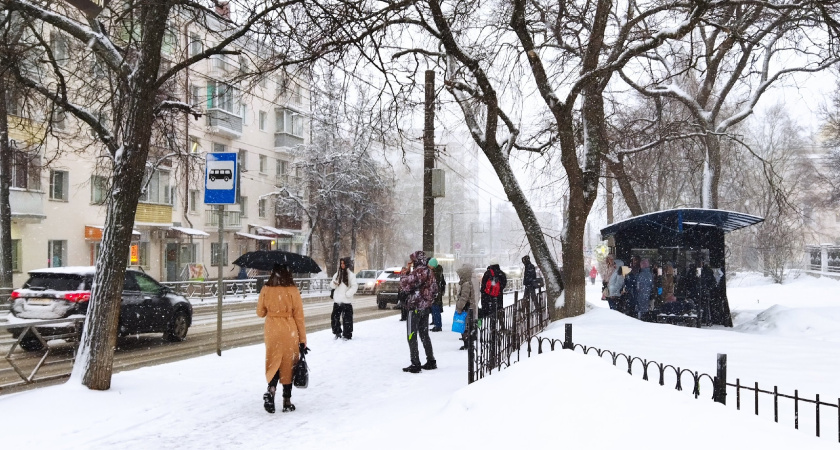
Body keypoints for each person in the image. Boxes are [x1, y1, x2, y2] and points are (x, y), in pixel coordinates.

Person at [256, 264, 307, 414]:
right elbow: (299, 316)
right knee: (288, 364)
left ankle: (271, 390)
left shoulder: (266, 289)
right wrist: (302, 339)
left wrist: (271, 308)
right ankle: (287, 401)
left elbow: (260, 312)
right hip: (288, 330)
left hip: (272, 330)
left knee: (273, 362)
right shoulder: (292, 290)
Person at [399, 250, 438, 373]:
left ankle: (415, 363)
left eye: (412, 259)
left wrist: (404, 273)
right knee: (424, 334)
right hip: (425, 308)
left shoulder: (419, 271)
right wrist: (427, 301)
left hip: (415, 307)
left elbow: (405, 285)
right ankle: (431, 360)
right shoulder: (430, 272)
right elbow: (435, 290)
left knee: (411, 335)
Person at [330, 257, 358, 340]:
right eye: (341, 263)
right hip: (337, 300)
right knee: (335, 318)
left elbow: (354, 286)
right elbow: (331, 285)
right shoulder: (337, 274)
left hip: (346, 301)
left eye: (344, 263)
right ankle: (337, 332)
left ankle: (347, 335)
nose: (342, 265)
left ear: (347, 264)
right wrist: (334, 283)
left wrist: (347, 294)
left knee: (347, 319)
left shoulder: (351, 275)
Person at [455, 264, 476, 350]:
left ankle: (467, 344)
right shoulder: (467, 282)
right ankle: (467, 343)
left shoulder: (466, 284)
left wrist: (459, 307)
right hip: (468, 307)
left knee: (465, 327)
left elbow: (464, 297)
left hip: (466, 308)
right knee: (466, 326)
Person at [428, 258, 445, 332]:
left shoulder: (435, 273)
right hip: (436, 294)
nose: (428, 266)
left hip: (435, 294)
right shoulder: (438, 272)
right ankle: (437, 324)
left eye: (430, 265)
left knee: (435, 310)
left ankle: (438, 325)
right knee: (435, 310)